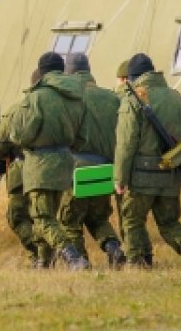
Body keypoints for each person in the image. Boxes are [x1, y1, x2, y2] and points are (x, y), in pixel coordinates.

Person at [114, 53, 181, 268]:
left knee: (132, 220)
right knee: (169, 222)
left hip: (141, 176)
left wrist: (120, 178)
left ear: (132, 77)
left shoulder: (133, 99)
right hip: (172, 173)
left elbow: (126, 144)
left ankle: (137, 263)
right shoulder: (177, 98)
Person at [7, 52, 89, 270]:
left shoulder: (37, 97)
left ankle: (72, 257)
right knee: (51, 216)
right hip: (65, 162)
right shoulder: (76, 96)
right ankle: (44, 263)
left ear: (41, 72)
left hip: (40, 164)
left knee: (42, 218)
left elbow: (19, 135)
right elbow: (83, 137)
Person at [59, 53, 126, 268]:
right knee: (98, 218)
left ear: (67, 72)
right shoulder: (112, 97)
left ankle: (80, 262)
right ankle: (114, 248)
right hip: (106, 169)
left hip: (76, 170)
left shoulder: (67, 96)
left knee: (70, 221)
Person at [0, 70, 42, 266]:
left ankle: (40, 253)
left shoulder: (16, 110)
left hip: (22, 172)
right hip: (56, 170)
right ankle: (44, 255)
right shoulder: (64, 107)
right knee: (45, 216)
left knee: (17, 216)